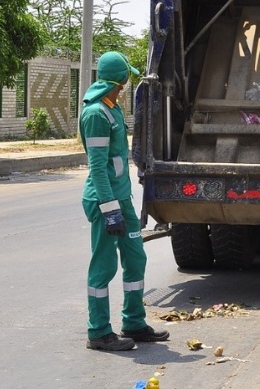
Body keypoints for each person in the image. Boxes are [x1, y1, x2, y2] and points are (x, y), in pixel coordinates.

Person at [81, 51, 170, 351]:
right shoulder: (95, 114)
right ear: (120, 79)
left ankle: (133, 322)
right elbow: (97, 167)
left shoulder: (113, 107)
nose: (128, 82)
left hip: (122, 200)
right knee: (104, 266)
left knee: (135, 258)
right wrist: (109, 211)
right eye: (127, 77)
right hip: (105, 202)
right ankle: (99, 332)